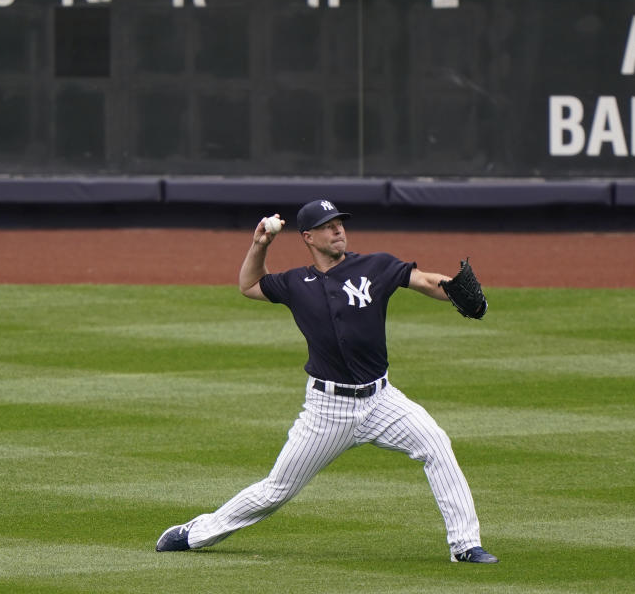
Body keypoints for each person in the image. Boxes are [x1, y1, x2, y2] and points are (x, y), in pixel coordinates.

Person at [155, 199, 498, 564]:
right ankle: (196, 533)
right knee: (277, 490)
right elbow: (249, 284)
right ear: (308, 237)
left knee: (436, 444)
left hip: (382, 401)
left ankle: (465, 545)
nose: (337, 230)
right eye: (327, 225)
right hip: (327, 411)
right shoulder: (295, 283)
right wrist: (260, 244)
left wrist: (455, 292)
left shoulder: (375, 266)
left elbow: (425, 280)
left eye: (339, 223)